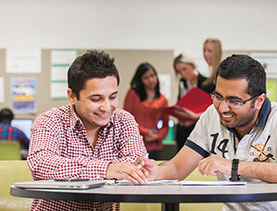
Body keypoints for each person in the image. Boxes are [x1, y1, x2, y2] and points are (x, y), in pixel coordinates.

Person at [140, 54, 277, 210]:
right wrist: (154, 172)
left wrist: (233, 166)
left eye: (234, 100)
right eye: (218, 96)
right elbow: (177, 167)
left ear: (259, 101)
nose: (223, 108)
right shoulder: (211, 115)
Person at [27, 50, 149, 211]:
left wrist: (76, 171)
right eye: (96, 99)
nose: (106, 107)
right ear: (72, 96)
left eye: (112, 97)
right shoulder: (50, 121)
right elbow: (41, 164)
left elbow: (135, 162)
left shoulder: (123, 120)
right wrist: (106, 169)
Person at [124, 63, 169, 160]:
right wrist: (146, 132)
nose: (151, 80)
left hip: (154, 145)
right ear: (140, 80)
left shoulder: (163, 100)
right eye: (146, 77)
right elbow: (125, 119)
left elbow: (166, 125)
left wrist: (157, 136)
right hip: (134, 143)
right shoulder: (132, 94)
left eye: (153, 76)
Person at [173, 54, 214, 150]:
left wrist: (194, 117)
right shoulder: (182, 83)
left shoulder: (207, 83)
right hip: (183, 131)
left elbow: (213, 108)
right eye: (179, 72)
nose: (182, 74)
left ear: (192, 65)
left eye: (184, 69)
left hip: (201, 131)